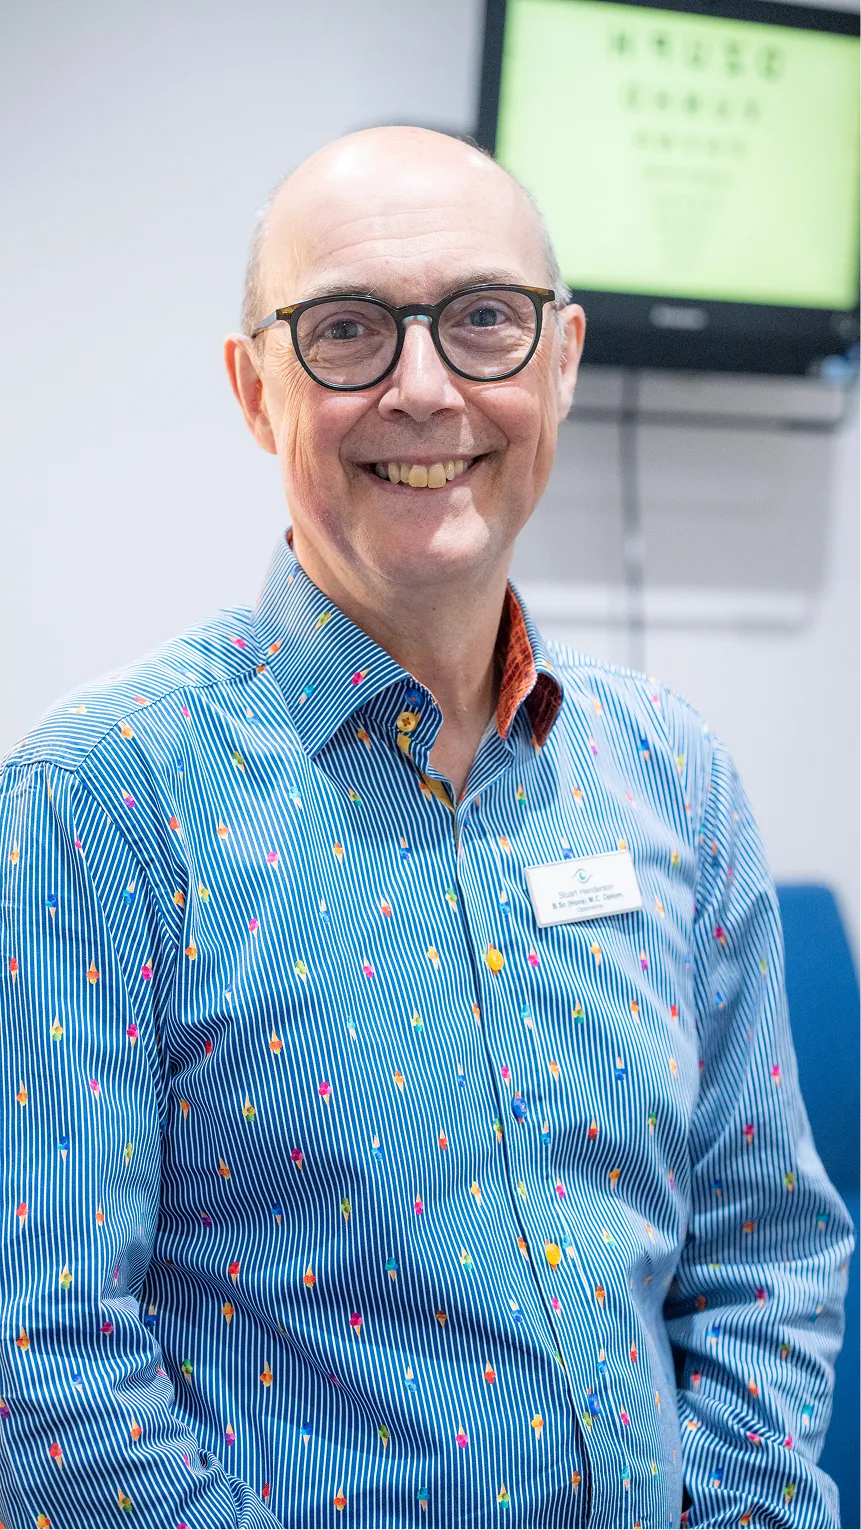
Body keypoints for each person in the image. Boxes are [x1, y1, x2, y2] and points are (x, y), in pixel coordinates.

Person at [0, 126, 851, 1530]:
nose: (423, 387)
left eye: (483, 322)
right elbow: (43, 1366)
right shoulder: (99, 800)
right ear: (254, 391)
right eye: (346, 331)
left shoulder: (673, 775)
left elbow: (766, 1246)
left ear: (561, 359)